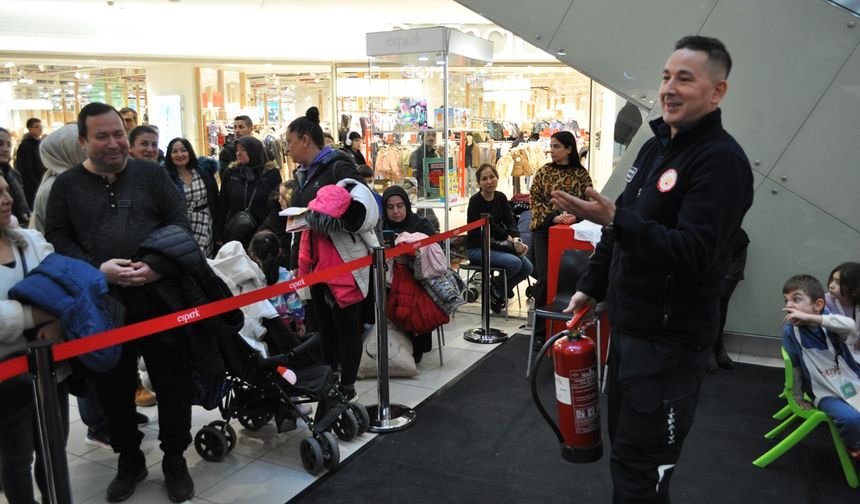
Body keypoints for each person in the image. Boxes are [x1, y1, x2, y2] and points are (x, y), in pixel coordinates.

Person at [553, 36, 753, 502]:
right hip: (630, 333)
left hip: (670, 345)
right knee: (627, 453)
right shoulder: (654, 148)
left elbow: (694, 253)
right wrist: (591, 284)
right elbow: (619, 228)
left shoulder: (721, 161)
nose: (669, 88)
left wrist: (616, 219)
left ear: (717, 91)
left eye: (685, 78)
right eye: (666, 76)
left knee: (643, 469)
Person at [45, 102, 196, 502]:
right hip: (101, 305)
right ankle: (129, 459)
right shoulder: (66, 186)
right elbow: (58, 240)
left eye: (117, 134)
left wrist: (157, 266)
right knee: (111, 387)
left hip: (160, 299)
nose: (113, 143)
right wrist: (98, 269)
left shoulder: (151, 174)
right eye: (102, 136)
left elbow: (179, 223)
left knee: (172, 381)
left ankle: (175, 458)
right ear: (83, 141)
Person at [288, 106, 367, 398]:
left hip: (341, 260)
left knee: (347, 326)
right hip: (315, 262)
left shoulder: (339, 165)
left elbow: (356, 206)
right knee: (324, 326)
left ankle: (346, 386)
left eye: (290, 142)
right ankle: (329, 379)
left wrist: (318, 214)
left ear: (305, 140)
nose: (288, 149)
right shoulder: (303, 174)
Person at [0, 173, 65, 504]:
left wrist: (54, 318)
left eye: (7, 190)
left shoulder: (29, 240)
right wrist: (38, 314)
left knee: (53, 448)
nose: (7, 199)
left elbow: (63, 287)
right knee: (15, 457)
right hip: (6, 380)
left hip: (47, 368)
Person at [782, 274, 860, 459]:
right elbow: (794, 366)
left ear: (817, 305)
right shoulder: (790, 331)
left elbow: (849, 326)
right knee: (850, 418)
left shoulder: (828, 321)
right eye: (786, 300)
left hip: (848, 379)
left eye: (796, 299)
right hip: (823, 392)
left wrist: (815, 318)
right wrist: (797, 395)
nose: (789, 305)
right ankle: (855, 448)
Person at [529, 130, 591, 347]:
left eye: (557, 146)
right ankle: (539, 332)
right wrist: (554, 217)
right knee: (545, 280)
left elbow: (589, 203)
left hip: (572, 235)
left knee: (570, 282)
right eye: (551, 146)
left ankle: (571, 328)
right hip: (545, 232)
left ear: (569, 149)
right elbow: (534, 200)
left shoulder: (581, 175)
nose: (552, 150)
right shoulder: (543, 172)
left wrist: (576, 216)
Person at [466, 163, 533, 313]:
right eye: (484, 179)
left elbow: (510, 222)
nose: (489, 181)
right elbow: (491, 227)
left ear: (497, 178)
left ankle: (497, 290)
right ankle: (497, 289)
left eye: (492, 177)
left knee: (528, 267)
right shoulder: (475, 201)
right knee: (515, 263)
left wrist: (517, 240)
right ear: (479, 183)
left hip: (498, 245)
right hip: (478, 248)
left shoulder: (501, 197)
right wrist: (511, 240)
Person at [382, 185, 437, 361]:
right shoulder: (381, 227)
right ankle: (394, 344)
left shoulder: (421, 224)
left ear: (406, 205)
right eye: (390, 207)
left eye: (400, 206)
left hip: (419, 279)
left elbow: (435, 253)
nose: (395, 211)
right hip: (389, 280)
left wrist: (412, 260)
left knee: (412, 296)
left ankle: (416, 346)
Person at [218, 135, 281, 248]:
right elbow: (222, 204)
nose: (238, 153)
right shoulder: (232, 172)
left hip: (262, 235)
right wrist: (220, 233)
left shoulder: (271, 174)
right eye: (237, 150)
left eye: (243, 149)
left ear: (254, 150)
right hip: (236, 234)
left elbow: (276, 206)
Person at [163, 137, 221, 257]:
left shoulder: (204, 173)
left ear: (189, 152)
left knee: (206, 260)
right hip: (181, 227)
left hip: (206, 223)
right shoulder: (166, 178)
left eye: (183, 150)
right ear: (169, 155)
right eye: (174, 151)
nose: (179, 154)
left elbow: (215, 201)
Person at [707, 227, 749, 372]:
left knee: (720, 299)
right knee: (711, 301)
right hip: (706, 243)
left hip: (734, 244)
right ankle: (713, 348)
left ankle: (715, 348)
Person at [826, 261, 860, 357]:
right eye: (832, 280)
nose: (831, 285)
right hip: (835, 353)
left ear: (855, 289)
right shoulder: (825, 302)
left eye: (837, 282)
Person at [0, 127, 31, 227]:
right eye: (0, 144)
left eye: (9, 145)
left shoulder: (14, 174)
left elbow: (22, 202)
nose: (5, 149)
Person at [14, 117, 46, 207]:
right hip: (32, 187)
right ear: (29, 129)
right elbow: (26, 170)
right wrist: (36, 186)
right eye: (36, 127)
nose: (40, 129)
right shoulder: (25, 146)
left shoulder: (40, 144)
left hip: (41, 182)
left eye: (41, 127)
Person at [408, 131, 436, 195]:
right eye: (428, 135)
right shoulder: (416, 154)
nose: (431, 138)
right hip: (421, 194)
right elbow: (414, 177)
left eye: (433, 135)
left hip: (433, 192)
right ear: (423, 138)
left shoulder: (435, 154)